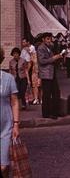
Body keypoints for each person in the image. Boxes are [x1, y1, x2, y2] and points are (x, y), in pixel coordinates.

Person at [0, 47, 20, 178]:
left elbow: (14, 102)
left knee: (4, 166)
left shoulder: (8, 78)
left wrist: (16, 124)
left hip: (5, 127)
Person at [37, 32, 64, 119]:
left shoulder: (50, 48)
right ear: (43, 39)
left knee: (56, 92)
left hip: (52, 73)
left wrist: (58, 57)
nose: (49, 40)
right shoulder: (41, 48)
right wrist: (54, 58)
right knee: (47, 94)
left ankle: (55, 111)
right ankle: (46, 113)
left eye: (50, 39)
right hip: (46, 74)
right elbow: (42, 61)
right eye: (47, 39)